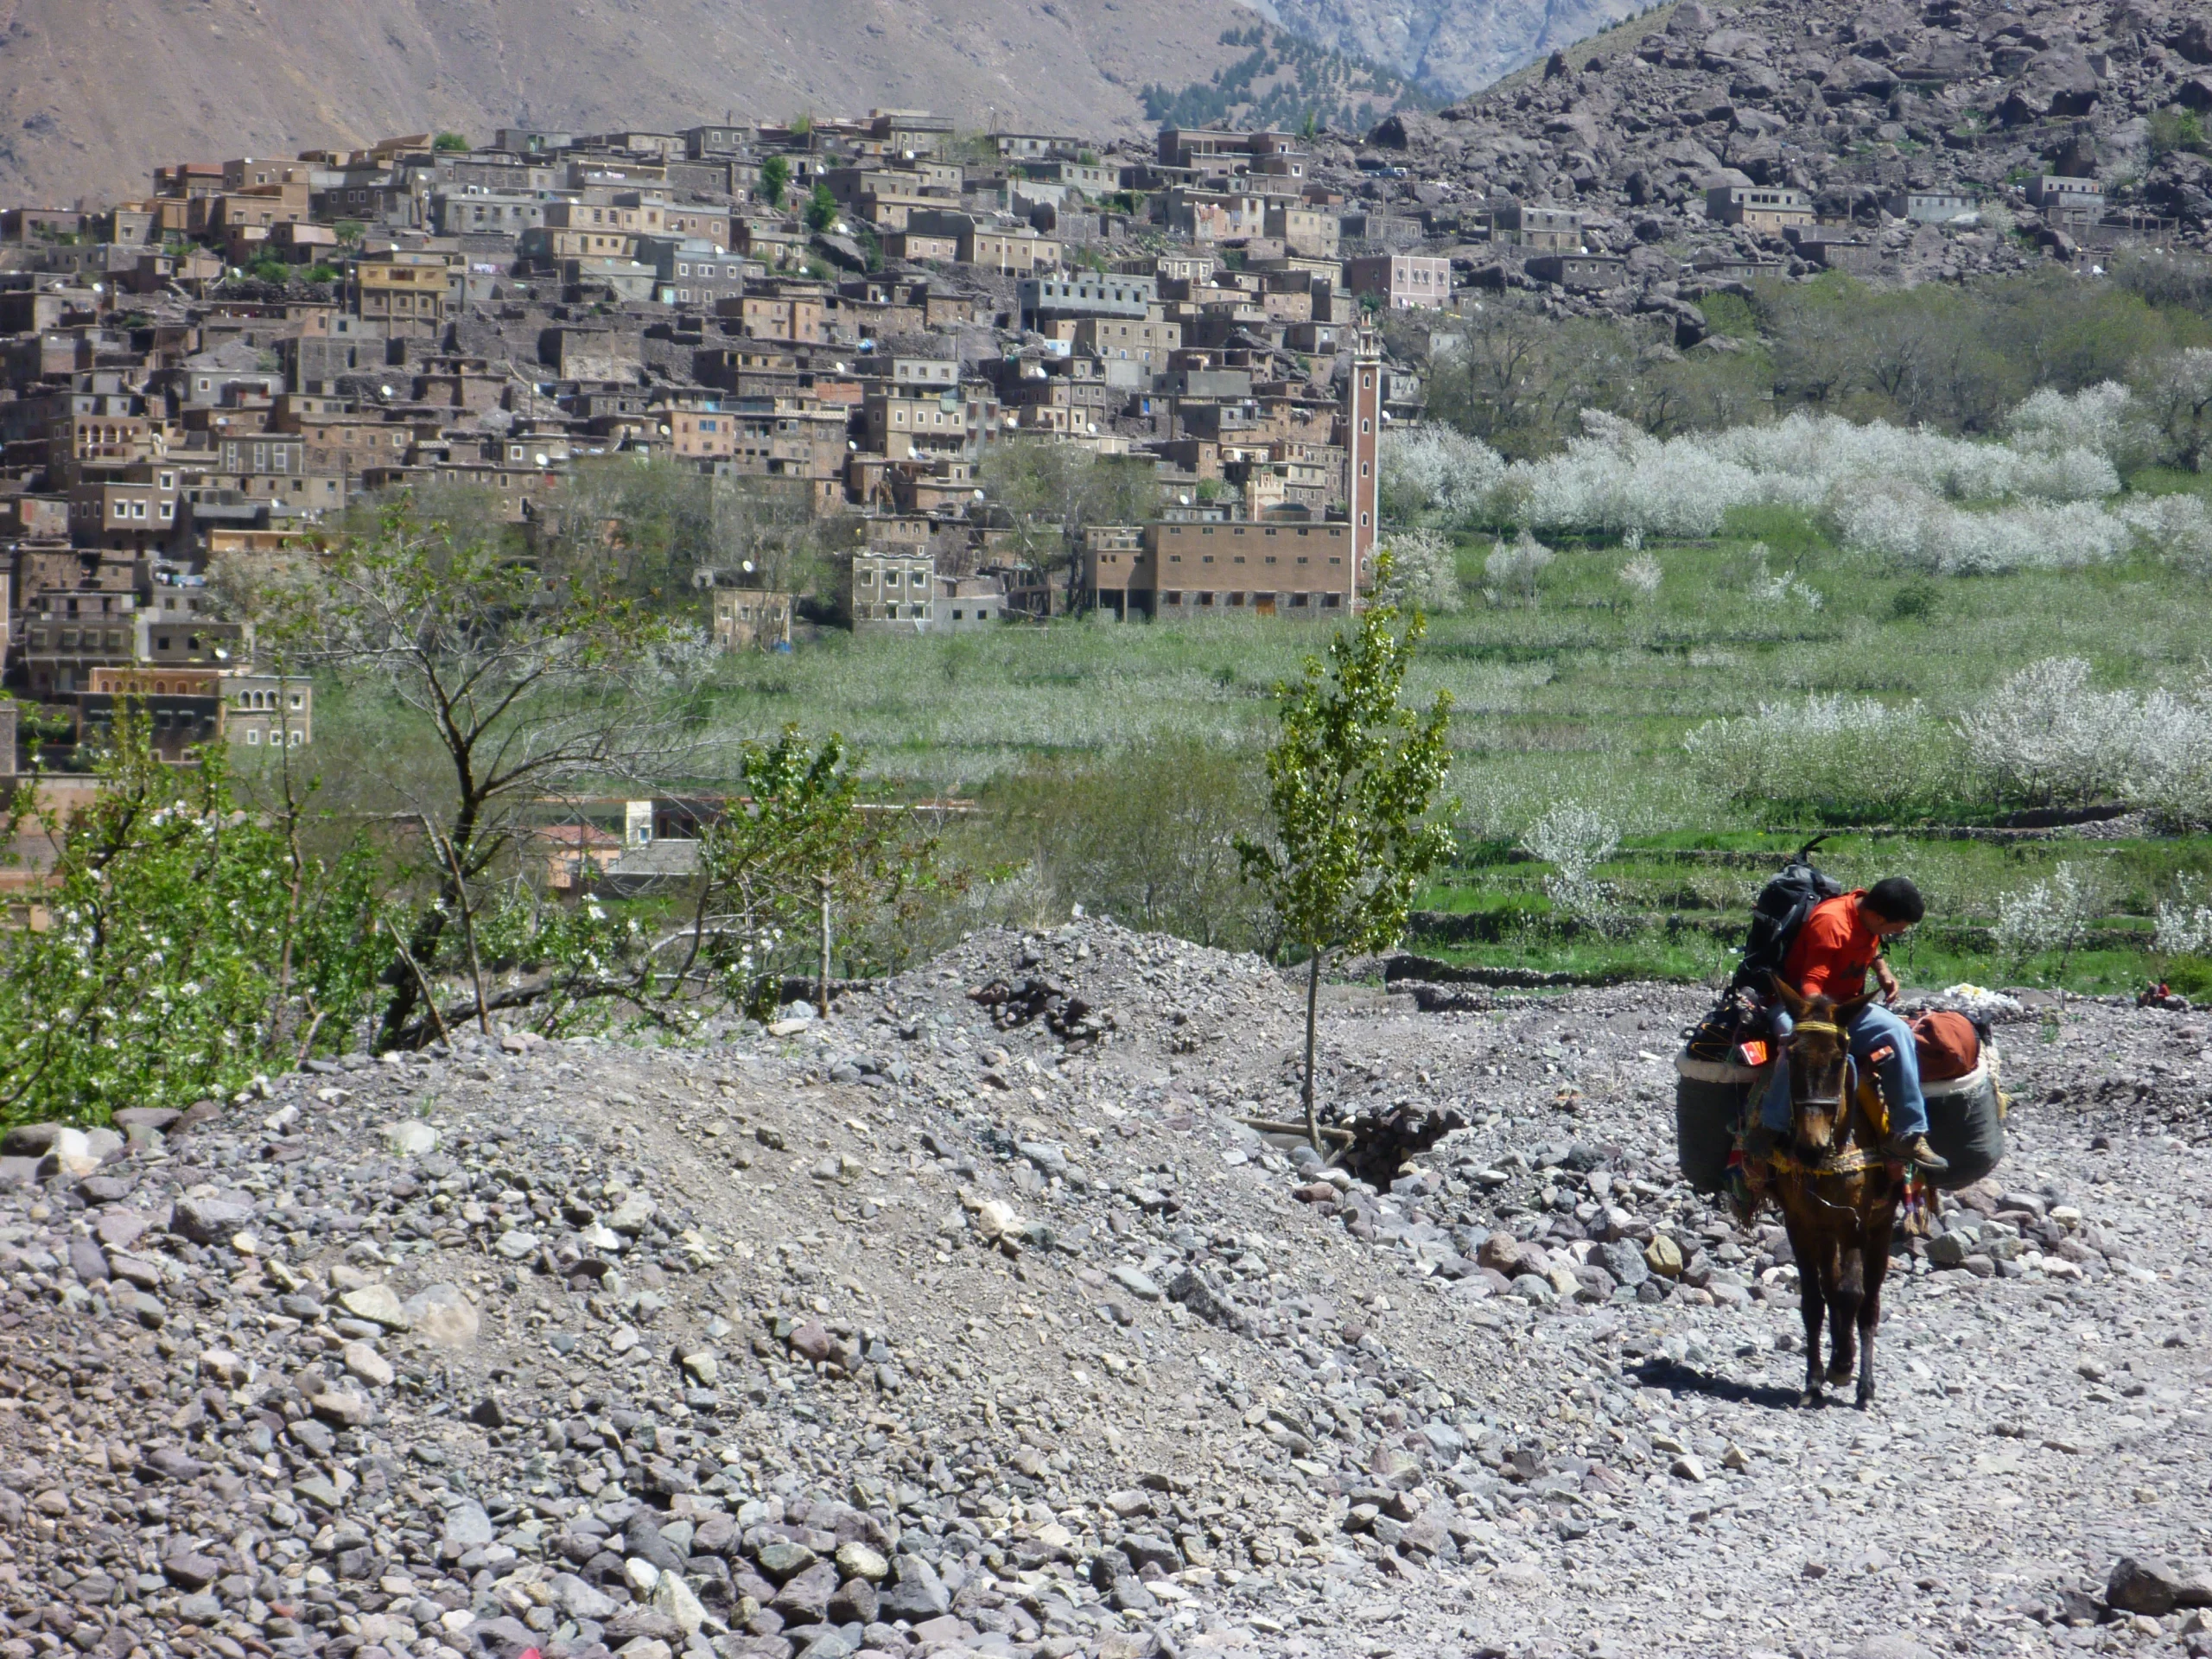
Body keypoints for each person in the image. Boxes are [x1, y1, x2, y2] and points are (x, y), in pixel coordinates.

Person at [1748, 876, 1948, 1173]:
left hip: (1843, 1007)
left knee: (1899, 1032)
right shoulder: (1831, 923)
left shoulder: (1866, 913)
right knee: (1798, 1043)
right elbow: (1811, 982)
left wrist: (1882, 969)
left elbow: (1870, 943)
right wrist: (1818, 1027)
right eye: (1899, 925)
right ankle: (1770, 1126)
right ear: (1878, 916)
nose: (1901, 931)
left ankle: (1908, 1131)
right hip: (1800, 1005)